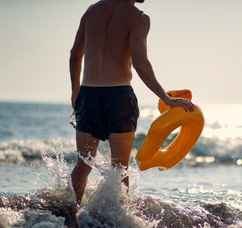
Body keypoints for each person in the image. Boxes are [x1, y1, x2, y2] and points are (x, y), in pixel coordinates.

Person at [69, 0, 195, 205]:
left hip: (89, 94)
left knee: (83, 165)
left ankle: (71, 216)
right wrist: (166, 98)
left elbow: (75, 55)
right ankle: (119, 222)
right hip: (119, 97)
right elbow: (140, 63)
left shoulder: (92, 11)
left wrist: (75, 92)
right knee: (120, 168)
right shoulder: (138, 18)